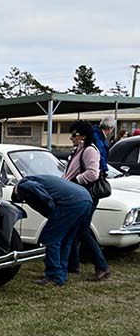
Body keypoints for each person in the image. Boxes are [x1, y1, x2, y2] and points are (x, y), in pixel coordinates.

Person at [12, 175, 92, 286]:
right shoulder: (40, 179)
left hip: (71, 203)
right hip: (85, 199)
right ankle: (61, 272)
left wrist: (53, 210)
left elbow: (37, 192)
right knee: (65, 240)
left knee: (49, 239)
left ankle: (54, 276)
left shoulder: (23, 185)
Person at [64, 120, 110, 281]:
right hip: (79, 194)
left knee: (82, 230)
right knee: (76, 230)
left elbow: (92, 174)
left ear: (83, 135)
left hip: (87, 195)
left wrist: (75, 181)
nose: (71, 137)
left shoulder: (90, 150)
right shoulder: (80, 149)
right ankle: (73, 264)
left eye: (74, 134)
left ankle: (102, 266)